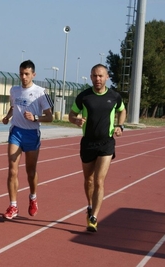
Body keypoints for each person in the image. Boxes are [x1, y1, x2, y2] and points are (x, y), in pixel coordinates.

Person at [68, 64, 126, 232]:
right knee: (89, 180)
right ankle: (90, 205)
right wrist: (75, 120)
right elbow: (72, 114)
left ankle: (93, 217)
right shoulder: (84, 97)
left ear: (107, 77)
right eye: (94, 76)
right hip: (88, 143)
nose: (97, 79)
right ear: (91, 77)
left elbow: (122, 111)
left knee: (99, 180)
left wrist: (120, 126)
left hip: (106, 143)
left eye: (100, 76)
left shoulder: (114, 96)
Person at [2, 60, 53, 220]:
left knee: (30, 172)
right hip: (16, 132)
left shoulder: (41, 92)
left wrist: (35, 117)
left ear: (33, 75)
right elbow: (13, 106)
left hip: (31, 134)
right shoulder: (14, 90)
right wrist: (7, 116)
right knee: (12, 170)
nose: (23, 77)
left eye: (27, 74)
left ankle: (33, 197)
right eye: (21, 74)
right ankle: (13, 205)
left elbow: (50, 117)